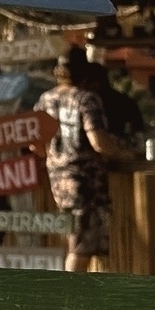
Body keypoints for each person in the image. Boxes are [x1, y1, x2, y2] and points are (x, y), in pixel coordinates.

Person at [37, 50, 115, 272]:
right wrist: (122, 152)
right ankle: (68, 291)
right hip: (86, 182)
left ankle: (82, 291)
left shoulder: (45, 100)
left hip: (58, 181)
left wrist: (55, 158)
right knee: (80, 248)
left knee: (82, 242)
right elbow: (98, 142)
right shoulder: (86, 99)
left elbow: (35, 145)